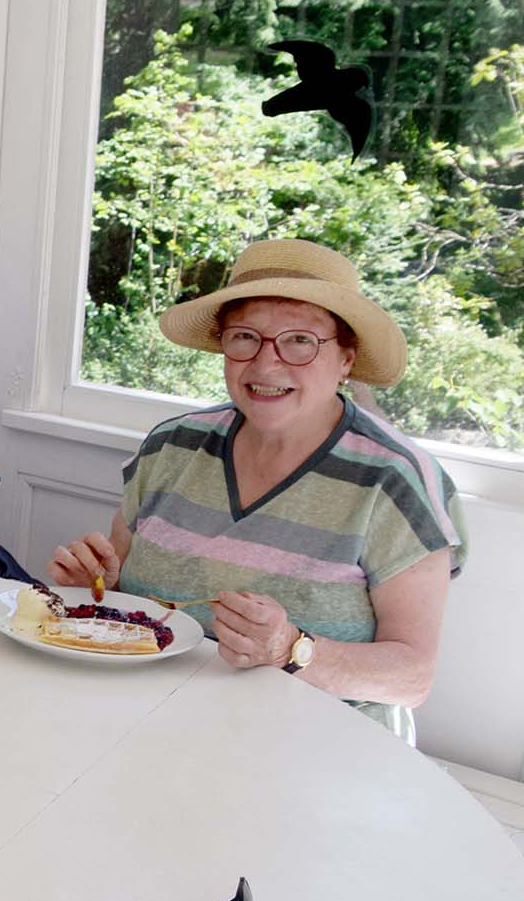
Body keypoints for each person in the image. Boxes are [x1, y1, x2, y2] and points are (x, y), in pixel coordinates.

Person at [47, 239, 467, 744]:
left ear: (346, 359)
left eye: (300, 342)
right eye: (245, 337)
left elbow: (411, 677)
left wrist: (289, 649)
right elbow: (125, 604)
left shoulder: (394, 480)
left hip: (323, 751)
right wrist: (95, 586)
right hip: (150, 725)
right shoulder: (171, 448)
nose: (266, 366)